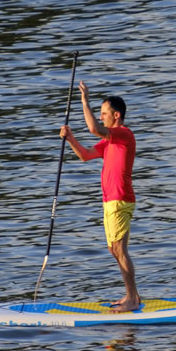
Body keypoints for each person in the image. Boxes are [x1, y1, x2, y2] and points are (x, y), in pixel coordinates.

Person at [60, 81, 140, 312]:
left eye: (104, 113)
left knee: (119, 248)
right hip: (110, 200)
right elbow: (85, 155)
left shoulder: (123, 135)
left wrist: (84, 100)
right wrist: (70, 138)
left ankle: (132, 299)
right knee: (114, 249)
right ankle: (133, 295)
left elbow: (94, 128)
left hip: (120, 198)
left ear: (116, 116)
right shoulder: (109, 141)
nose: (101, 117)